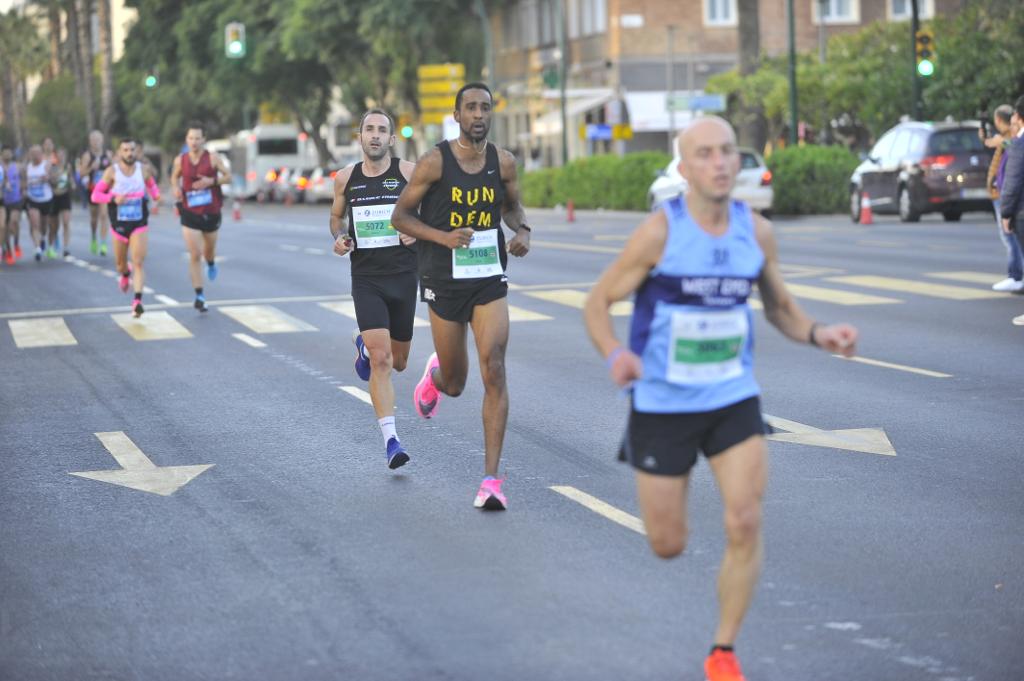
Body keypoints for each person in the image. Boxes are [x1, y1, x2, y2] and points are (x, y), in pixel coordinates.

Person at [582, 116, 858, 681]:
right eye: (705, 154)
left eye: (727, 151)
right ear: (684, 169)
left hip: (733, 398)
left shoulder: (755, 231)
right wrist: (615, 354)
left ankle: (723, 651)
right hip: (662, 406)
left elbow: (778, 305)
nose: (720, 162)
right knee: (667, 543)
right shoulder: (662, 231)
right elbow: (597, 301)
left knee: (745, 519)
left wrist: (816, 332)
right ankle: (710, 621)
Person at [392, 82, 532, 510]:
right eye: (470, 107)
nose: (478, 114)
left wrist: (522, 230)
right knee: (456, 384)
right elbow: (401, 216)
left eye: (484, 108)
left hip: (488, 275)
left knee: (495, 366)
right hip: (442, 276)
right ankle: (435, 377)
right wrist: (442, 237)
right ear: (457, 115)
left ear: (491, 114)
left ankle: (491, 480)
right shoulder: (435, 162)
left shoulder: (503, 162)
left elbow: (511, 207)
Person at [329, 109, 418, 469]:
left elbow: (432, 213)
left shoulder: (409, 173)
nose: (376, 135)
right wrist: (339, 236)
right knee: (382, 361)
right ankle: (391, 441)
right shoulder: (345, 178)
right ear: (360, 137)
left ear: (392, 139)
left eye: (383, 130)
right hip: (367, 279)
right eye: (370, 129)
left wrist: (416, 228)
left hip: (404, 276)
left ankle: (363, 349)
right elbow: (337, 217)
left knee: (398, 361)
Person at [90, 138, 160, 317]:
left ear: (136, 152)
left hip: (139, 222)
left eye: (132, 150)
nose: (129, 153)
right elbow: (96, 195)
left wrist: (157, 196)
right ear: (120, 153)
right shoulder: (111, 172)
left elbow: (153, 189)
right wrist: (113, 199)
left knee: (138, 261)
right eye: (126, 150)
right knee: (121, 264)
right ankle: (124, 274)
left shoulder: (143, 170)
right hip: (119, 223)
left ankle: (137, 301)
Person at [170, 122, 232, 312]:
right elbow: (174, 177)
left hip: (211, 211)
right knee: (195, 254)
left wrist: (211, 181)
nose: (194, 142)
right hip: (189, 211)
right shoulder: (180, 160)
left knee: (208, 251)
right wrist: (175, 189)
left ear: (203, 140)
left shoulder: (213, 158)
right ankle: (199, 295)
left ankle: (211, 262)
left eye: (197, 138)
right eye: (190, 138)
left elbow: (228, 176)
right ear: (186, 140)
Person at [984, 106, 1023, 292]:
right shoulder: (1010, 140)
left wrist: (1006, 210)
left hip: (1010, 197)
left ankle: (1016, 276)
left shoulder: (1013, 140)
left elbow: (1014, 176)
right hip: (1005, 194)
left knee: (1011, 238)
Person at [997, 96, 1024, 326]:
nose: (1012, 117)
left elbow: (1013, 182)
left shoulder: (1020, 143)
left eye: (1015, 114)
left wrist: (1006, 213)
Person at [79, 130, 113, 256]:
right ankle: (94, 237)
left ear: (102, 141)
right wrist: (91, 167)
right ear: (90, 142)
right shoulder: (87, 156)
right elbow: (81, 173)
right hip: (92, 189)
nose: (96, 142)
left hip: (105, 190)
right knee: (94, 218)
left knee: (104, 215)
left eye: (98, 140)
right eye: (93, 140)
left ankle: (103, 243)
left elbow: (114, 170)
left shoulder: (108, 155)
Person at [24, 144, 55, 261]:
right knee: (34, 223)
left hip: (46, 199)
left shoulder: (46, 165)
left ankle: (42, 238)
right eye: (33, 153)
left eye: (37, 153)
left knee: (44, 225)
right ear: (30, 155)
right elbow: (23, 182)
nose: (35, 155)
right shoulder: (27, 168)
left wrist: (48, 178)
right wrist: (24, 189)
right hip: (32, 199)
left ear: (41, 154)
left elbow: (54, 180)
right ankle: (37, 248)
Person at [2, 146, 24, 265]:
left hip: (16, 199)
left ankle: (16, 243)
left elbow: (24, 179)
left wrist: (24, 190)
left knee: (13, 222)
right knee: (5, 227)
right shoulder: (0, 167)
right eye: (5, 153)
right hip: (3, 201)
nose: (7, 155)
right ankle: (8, 251)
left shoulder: (18, 166)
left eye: (9, 153)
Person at [50, 148, 74, 257]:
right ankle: (54, 239)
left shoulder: (68, 167)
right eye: (59, 155)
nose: (61, 157)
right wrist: (54, 178)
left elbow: (71, 180)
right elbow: (50, 181)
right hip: (54, 196)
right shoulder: (52, 167)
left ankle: (66, 247)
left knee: (66, 222)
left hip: (65, 196)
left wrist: (73, 184)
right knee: (54, 225)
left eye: (63, 155)